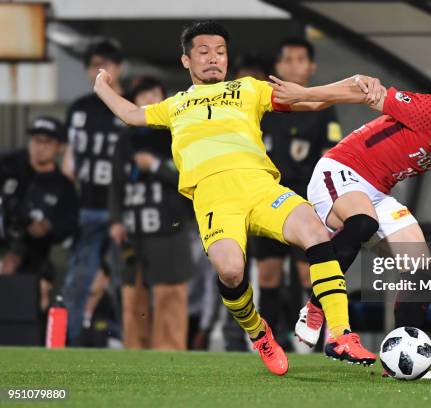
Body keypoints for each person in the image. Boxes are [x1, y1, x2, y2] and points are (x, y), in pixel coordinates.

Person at [92, 21, 385, 375]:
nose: (213, 59)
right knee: (231, 272)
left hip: (260, 187)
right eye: (203, 52)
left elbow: (306, 97)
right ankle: (259, 333)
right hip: (214, 198)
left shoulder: (248, 89)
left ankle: (340, 334)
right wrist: (101, 87)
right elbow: (131, 114)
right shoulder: (175, 105)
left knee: (316, 233)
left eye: (220, 52)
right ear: (186, 61)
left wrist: (359, 88)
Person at [270, 76, 431, 356]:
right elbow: (364, 88)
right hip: (342, 169)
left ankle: (400, 357)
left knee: (422, 272)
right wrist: (306, 93)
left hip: (377, 191)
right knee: (363, 222)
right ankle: (316, 306)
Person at [254, 38, 342, 348]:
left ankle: (319, 344)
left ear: (311, 66)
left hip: (307, 201)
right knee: (268, 273)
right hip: (266, 196)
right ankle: (269, 342)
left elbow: (331, 155)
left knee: (309, 274)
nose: (294, 65)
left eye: (300, 59)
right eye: (287, 59)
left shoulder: (321, 107)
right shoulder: (262, 104)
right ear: (277, 67)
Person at [109, 76, 194, 350]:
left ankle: (170, 357)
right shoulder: (124, 138)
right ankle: (134, 353)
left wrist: (156, 165)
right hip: (134, 230)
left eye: (154, 93)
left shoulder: (180, 131)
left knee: (170, 295)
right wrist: (115, 219)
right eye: (142, 95)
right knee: (133, 296)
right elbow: (115, 184)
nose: (148, 100)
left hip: (169, 229)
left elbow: (190, 178)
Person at [61, 39, 126, 344]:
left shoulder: (131, 106)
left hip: (124, 211)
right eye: (93, 65)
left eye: (106, 64)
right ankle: (70, 345)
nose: (99, 70)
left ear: (118, 68)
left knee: (125, 282)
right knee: (79, 281)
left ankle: (131, 346)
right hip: (86, 205)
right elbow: (69, 161)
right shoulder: (79, 109)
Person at [0, 116, 78, 325]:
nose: (39, 147)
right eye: (36, 140)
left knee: (39, 292)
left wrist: (48, 228)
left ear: (60, 148)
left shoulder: (63, 187)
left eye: (47, 142)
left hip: (35, 256)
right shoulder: (9, 166)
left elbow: (70, 224)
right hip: (4, 244)